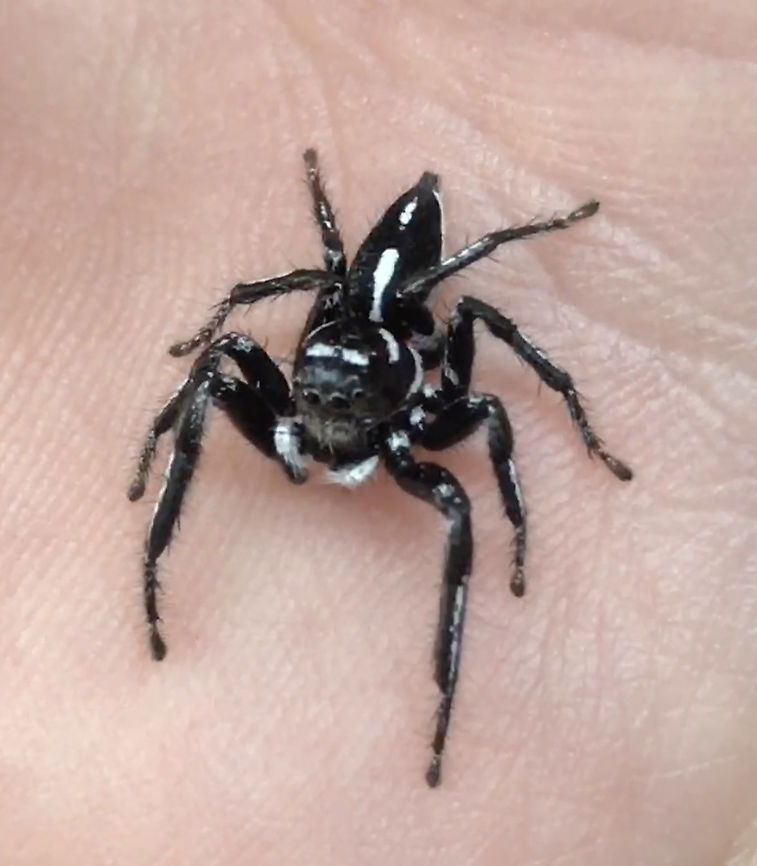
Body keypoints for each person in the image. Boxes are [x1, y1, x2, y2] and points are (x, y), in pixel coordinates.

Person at [1, 2, 755, 863]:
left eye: (340, 410)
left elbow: (483, 410)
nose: (323, 427)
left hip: (403, 325)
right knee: (227, 358)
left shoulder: (427, 402)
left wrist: (516, 514)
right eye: (317, 402)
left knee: (468, 361)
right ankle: (154, 561)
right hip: (355, 311)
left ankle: (446, 691)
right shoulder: (300, 377)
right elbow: (238, 335)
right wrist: (160, 441)